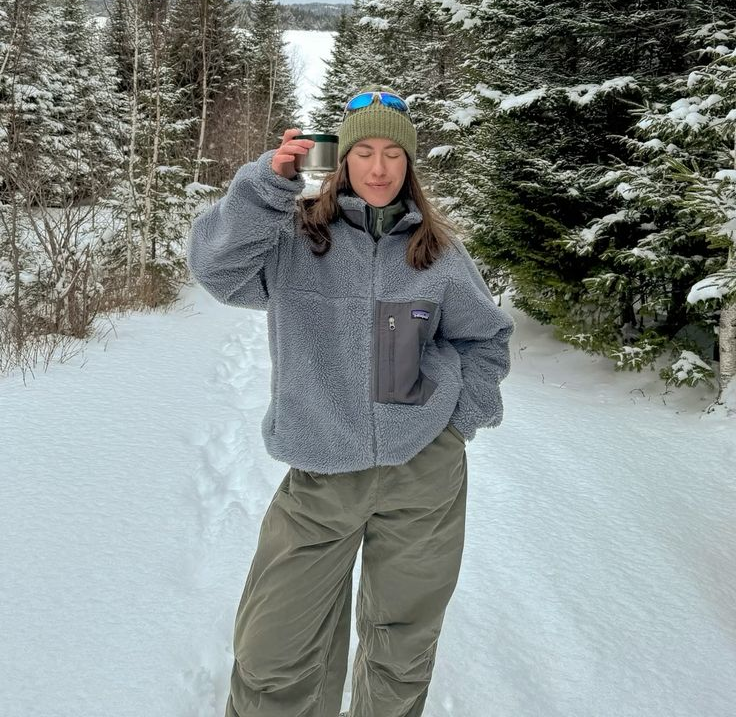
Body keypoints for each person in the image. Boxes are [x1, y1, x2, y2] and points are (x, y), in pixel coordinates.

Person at [186, 87, 514, 717]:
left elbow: (486, 337)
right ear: (341, 162)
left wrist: (457, 422)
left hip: (424, 478)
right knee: (272, 652)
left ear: (411, 165)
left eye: (395, 153)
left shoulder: (438, 254)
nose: (380, 168)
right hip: (321, 478)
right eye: (364, 151)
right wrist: (267, 185)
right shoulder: (295, 238)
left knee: (402, 649)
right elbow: (215, 269)